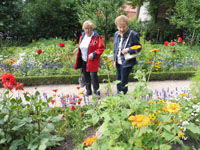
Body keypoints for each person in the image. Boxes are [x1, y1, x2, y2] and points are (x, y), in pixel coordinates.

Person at [75, 20, 104, 96]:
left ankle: (97, 92)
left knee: (94, 76)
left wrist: (94, 54)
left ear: (92, 29)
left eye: (90, 28)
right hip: (84, 60)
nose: (88, 30)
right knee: (86, 75)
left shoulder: (96, 38)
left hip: (92, 60)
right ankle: (88, 90)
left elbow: (101, 48)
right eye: (86, 28)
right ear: (84, 29)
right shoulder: (82, 37)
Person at [113, 15, 142, 94]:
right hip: (118, 61)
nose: (121, 29)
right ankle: (119, 95)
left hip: (127, 62)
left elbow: (139, 47)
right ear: (117, 26)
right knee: (117, 80)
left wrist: (128, 49)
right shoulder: (116, 34)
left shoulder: (133, 34)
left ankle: (123, 98)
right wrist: (114, 60)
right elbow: (115, 48)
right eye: (120, 27)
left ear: (127, 25)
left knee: (123, 81)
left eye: (124, 27)